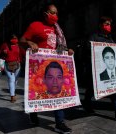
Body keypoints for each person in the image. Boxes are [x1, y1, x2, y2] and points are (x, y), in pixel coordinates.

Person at [19, 3, 73, 133]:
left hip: (54, 66)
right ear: (45, 14)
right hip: (39, 66)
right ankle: (33, 113)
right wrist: (30, 42)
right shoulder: (35, 26)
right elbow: (22, 40)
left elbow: (61, 47)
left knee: (58, 93)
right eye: (52, 13)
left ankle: (59, 123)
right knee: (37, 92)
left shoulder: (57, 29)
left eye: (56, 13)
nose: (55, 16)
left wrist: (68, 51)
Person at [83, 16, 116, 121]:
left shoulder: (110, 38)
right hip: (96, 70)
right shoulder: (93, 37)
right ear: (100, 25)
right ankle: (87, 103)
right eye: (106, 24)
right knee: (92, 89)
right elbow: (87, 49)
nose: (108, 26)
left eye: (109, 24)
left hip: (110, 70)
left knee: (115, 88)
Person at [0, 34, 21, 103]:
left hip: (17, 64)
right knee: (12, 79)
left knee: (15, 80)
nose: (14, 40)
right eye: (13, 38)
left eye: (16, 38)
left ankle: (13, 91)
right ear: (9, 39)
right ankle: (12, 96)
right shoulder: (5, 45)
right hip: (8, 64)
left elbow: (23, 53)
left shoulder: (19, 45)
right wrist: (3, 52)